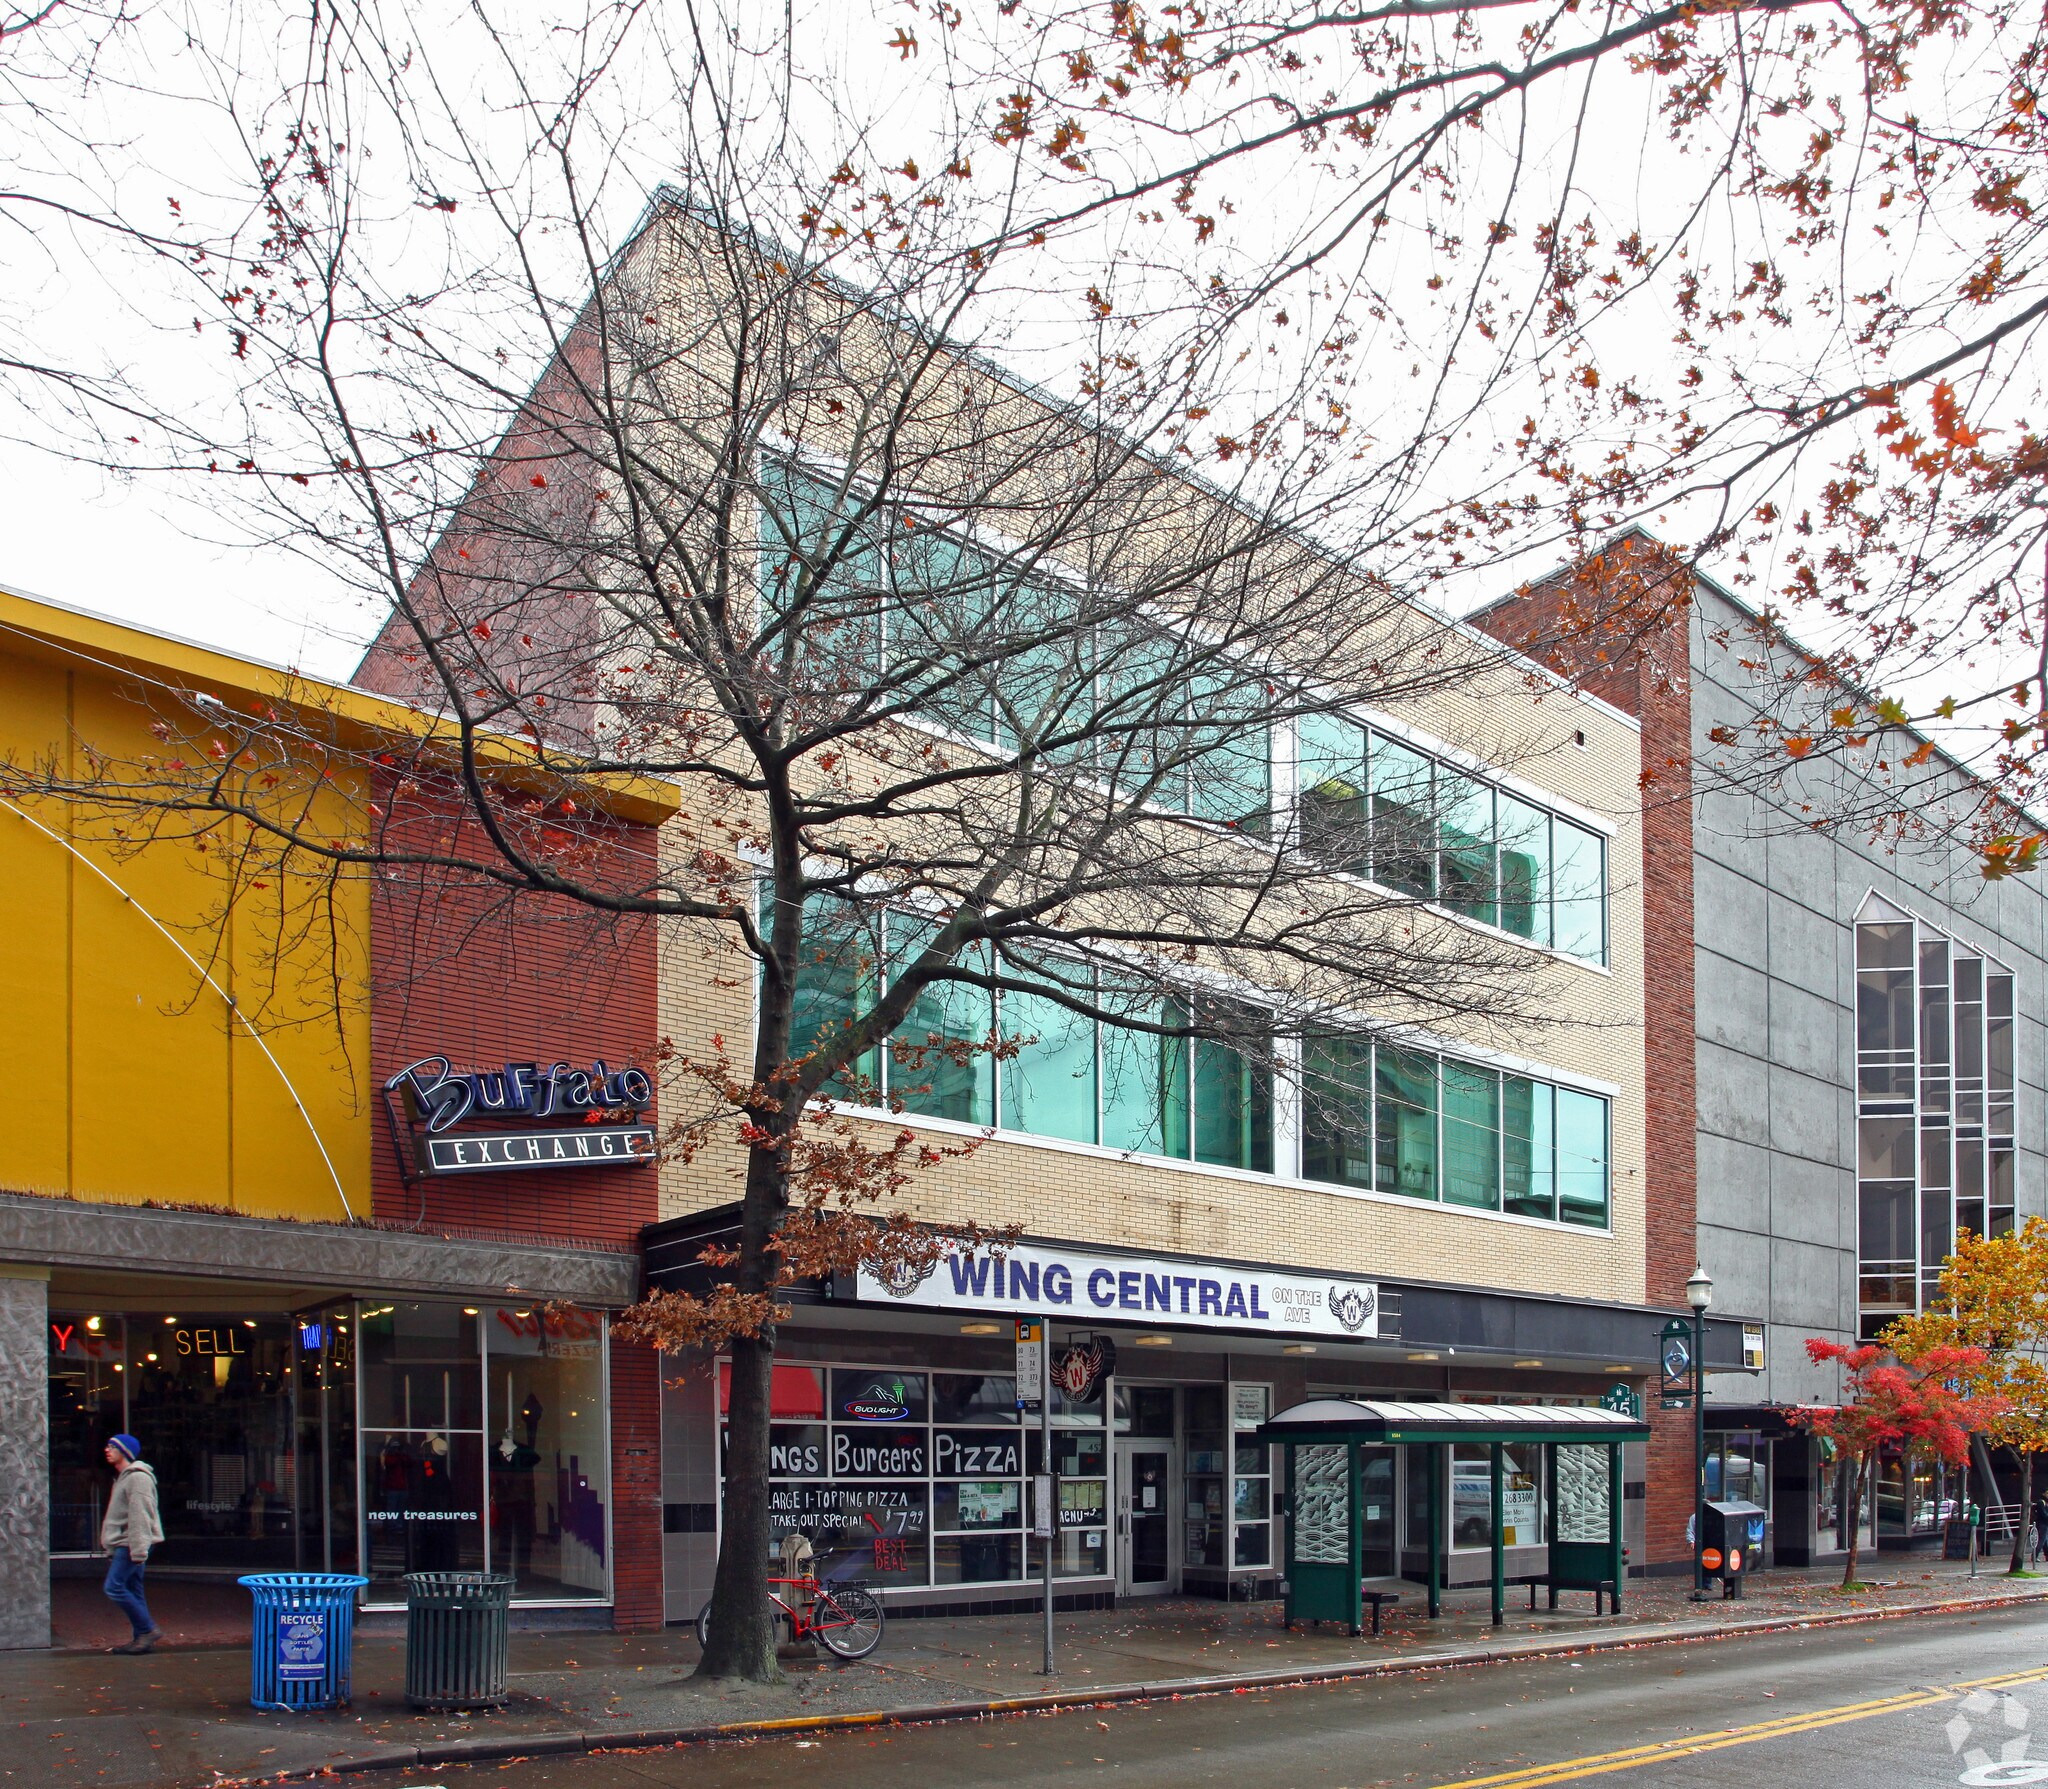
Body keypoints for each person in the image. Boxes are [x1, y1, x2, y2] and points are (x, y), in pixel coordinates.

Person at [100, 1435, 163, 1654]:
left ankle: (148, 1629)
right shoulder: (124, 1478)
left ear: (125, 1451)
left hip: (131, 1543)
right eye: (107, 1446)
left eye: (112, 1447)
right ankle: (141, 1640)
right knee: (134, 1589)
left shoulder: (137, 1478)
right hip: (128, 1543)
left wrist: (138, 1550)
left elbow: (140, 1516)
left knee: (114, 1587)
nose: (107, 1450)